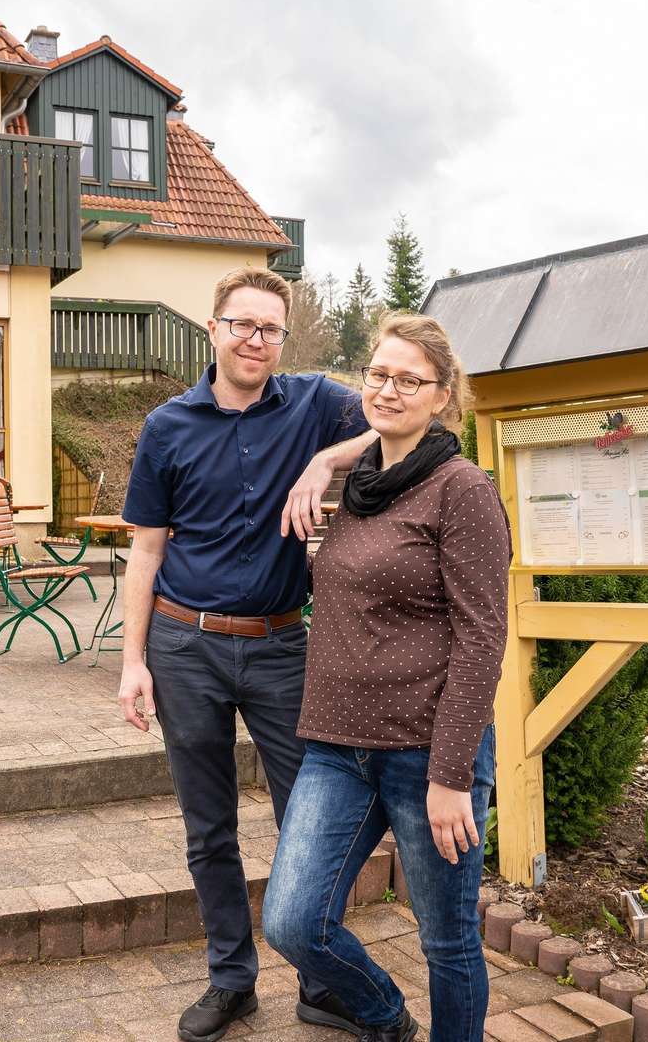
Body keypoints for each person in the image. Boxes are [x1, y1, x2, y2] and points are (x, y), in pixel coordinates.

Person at [119, 266, 377, 1042]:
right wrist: (133, 661)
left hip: (281, 646)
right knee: (209, 827)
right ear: (214, 328)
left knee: (310, 820)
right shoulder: (167, 426)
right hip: (184, 644)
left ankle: (320, 981)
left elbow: (412, 422)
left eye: (270, 328)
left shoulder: (315, 404)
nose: (255, 340)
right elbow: (146, 549)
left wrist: (326, 460)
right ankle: (231, 980)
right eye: (242, 324)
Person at [261, 313, 511, 1042]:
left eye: (409, 379)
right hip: (337, 747)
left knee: (448, 941)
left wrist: (451, 773)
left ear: (442, 397)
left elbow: (482, 636)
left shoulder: (461, 490)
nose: (388, 389)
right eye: (377, 373)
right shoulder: (362, 482)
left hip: (425, 753)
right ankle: (383, 1017)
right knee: (293, 921)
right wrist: (326, 467)